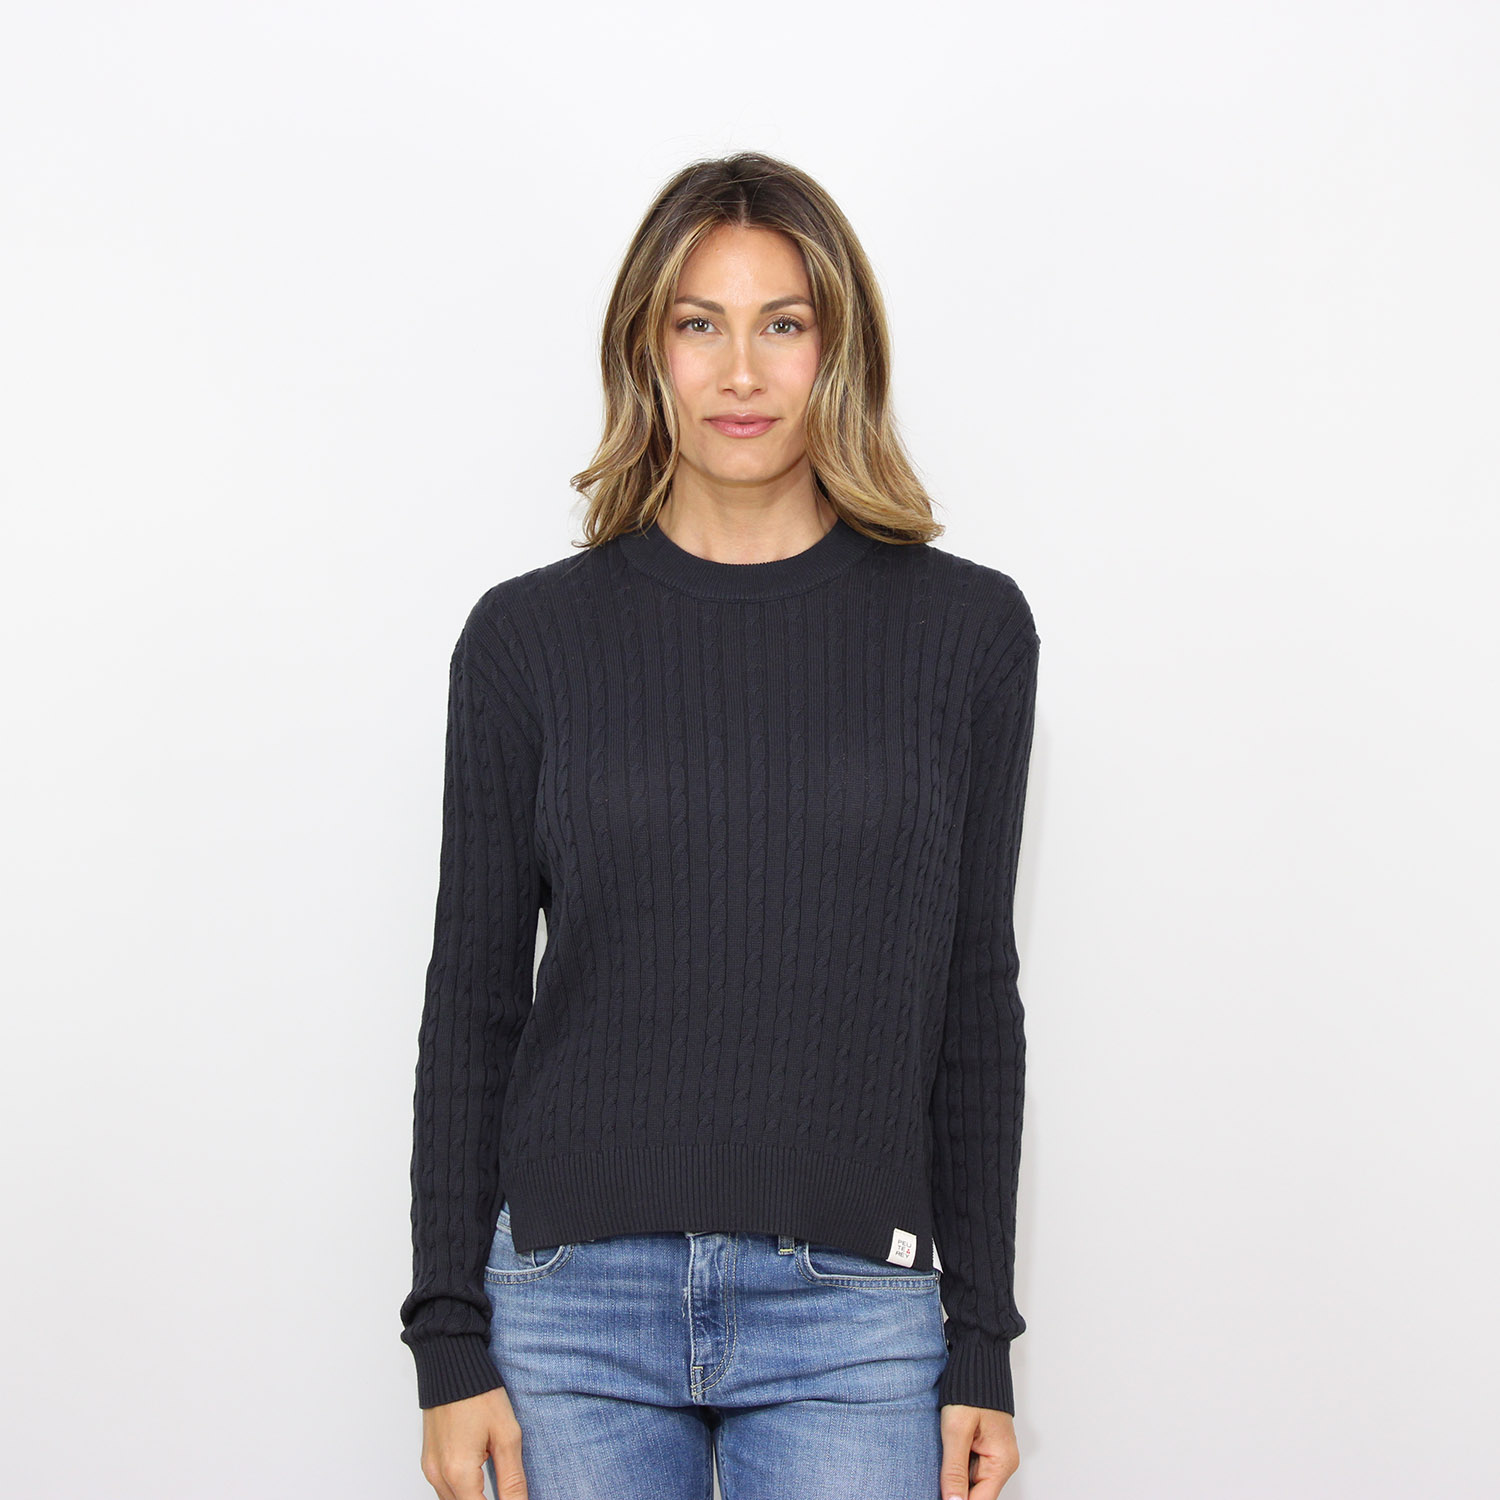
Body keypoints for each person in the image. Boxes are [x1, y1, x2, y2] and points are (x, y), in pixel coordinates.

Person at [400, 150, 1041, 1500]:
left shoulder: (967, 634)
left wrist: (982, 1342)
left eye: (782, 324)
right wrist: (447, 1343)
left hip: (855, 1317)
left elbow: (973, 1000)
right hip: (573, 1311)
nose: (740, 372)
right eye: (700, 324)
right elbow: (473, 1003)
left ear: (839, 350)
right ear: (647, 349)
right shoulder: (526, 642)